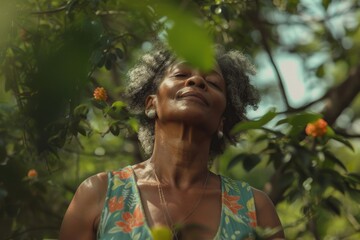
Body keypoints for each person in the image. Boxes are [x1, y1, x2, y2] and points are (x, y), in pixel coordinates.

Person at [59, 43, 285, 240]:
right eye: (180, 75)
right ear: (151, 104)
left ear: (222, 122)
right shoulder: (99, 194)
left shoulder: (256, 208)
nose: (196, 80)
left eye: (213, 83)